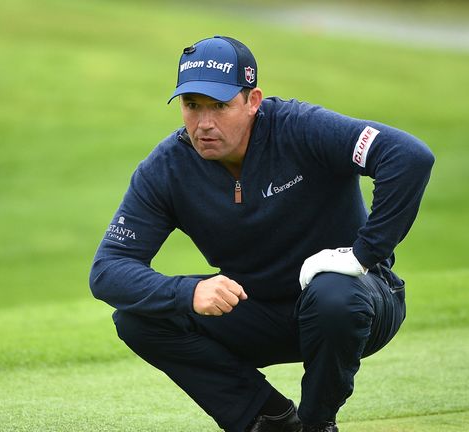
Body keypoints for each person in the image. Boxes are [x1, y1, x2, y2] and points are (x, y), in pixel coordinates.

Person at [89, 35, 434, 432]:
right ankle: (267, 418)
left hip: (361, 303)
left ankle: (317, 424)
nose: (204, 123)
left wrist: (362, 255)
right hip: (261, 311)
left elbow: (407, 156)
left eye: (220, 106)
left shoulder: (301, 128)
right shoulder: (167, 169)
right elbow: (108, 269)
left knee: (333, 293)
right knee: (138, 319)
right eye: (192, 106)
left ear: (253, 101)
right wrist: (188, 292)